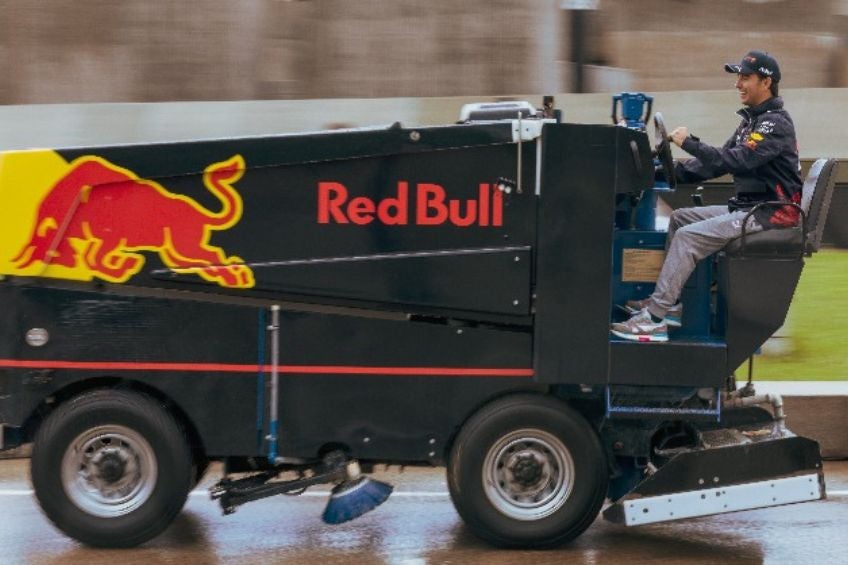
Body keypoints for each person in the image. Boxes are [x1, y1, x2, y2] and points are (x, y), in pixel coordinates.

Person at [611, 50, 802, 343]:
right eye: (738, 77)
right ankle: (670, 305)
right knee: (679, 218)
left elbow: (735, 161)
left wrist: (688, 142)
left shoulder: (774, 124)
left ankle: (653, 321)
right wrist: (662, 171)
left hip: (770, 215)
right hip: (750, 208)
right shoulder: (752, 121)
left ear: (766, 82)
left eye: (745, 78)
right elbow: (715, 164)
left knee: (689, 236)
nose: (738, 84)